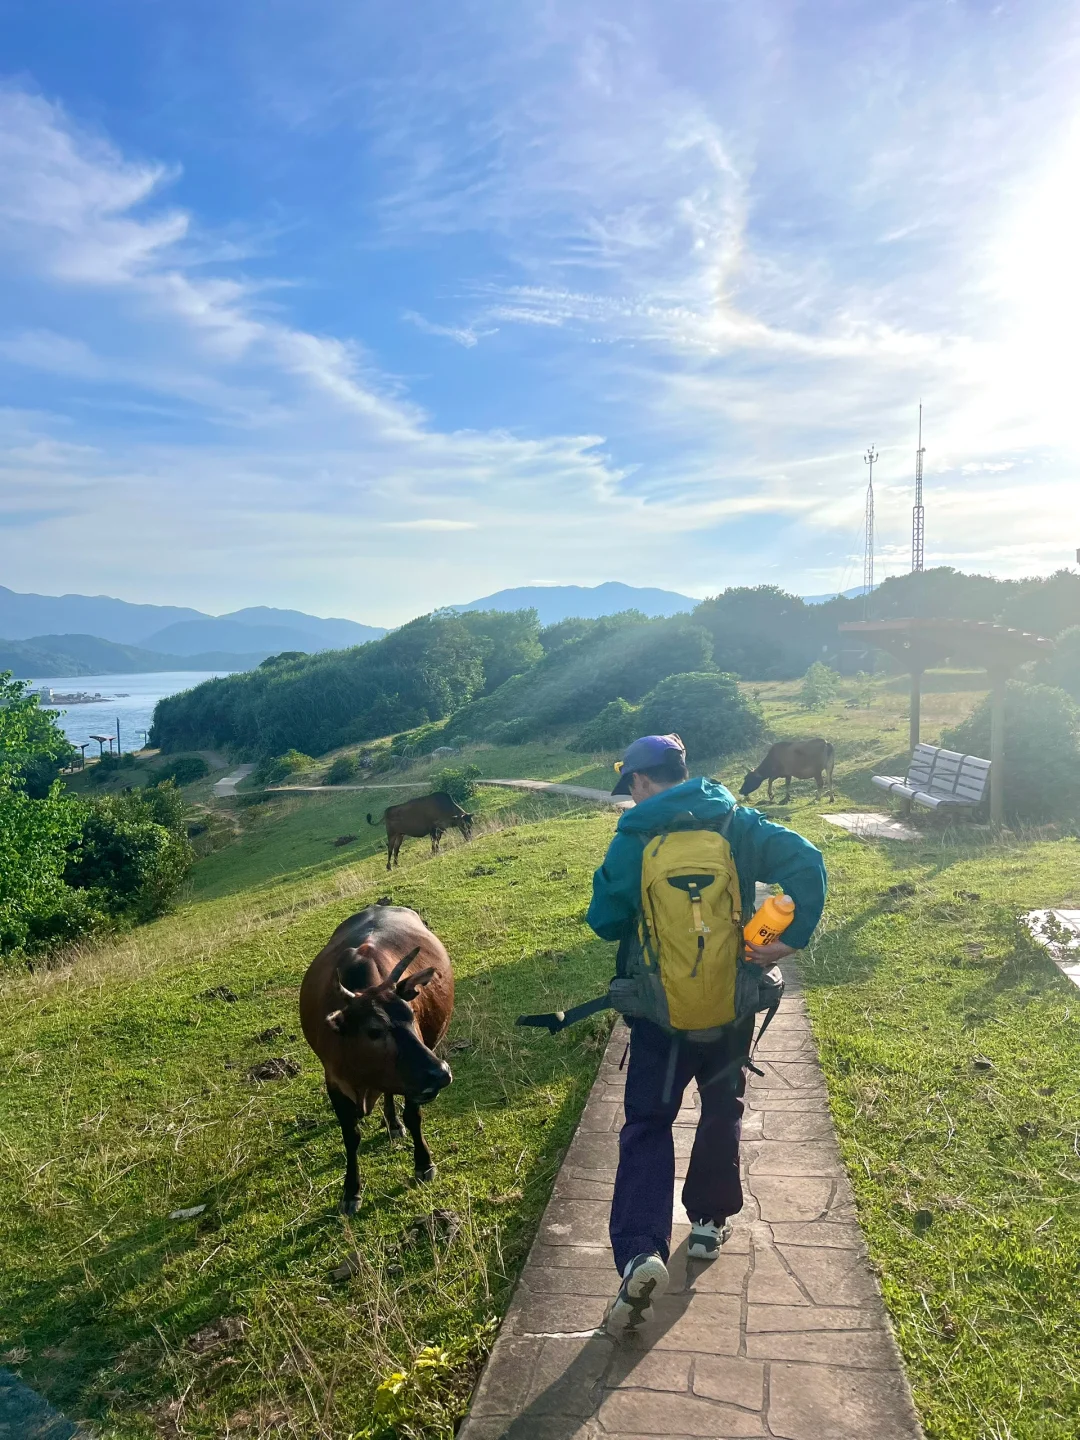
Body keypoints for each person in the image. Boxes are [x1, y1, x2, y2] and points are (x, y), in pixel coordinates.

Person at [586, 733, 827, 1335]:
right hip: (730, 1003)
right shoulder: (737, 822)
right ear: (682, 769)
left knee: (648, 1121)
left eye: (630, 788)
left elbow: (604, 920)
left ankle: (641, 1249)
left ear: (640, 782)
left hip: (657, 1012)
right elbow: (807, 863)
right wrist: (788, 940)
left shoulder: (633, 836)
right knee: (722, 1107)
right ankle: (707, 1224)